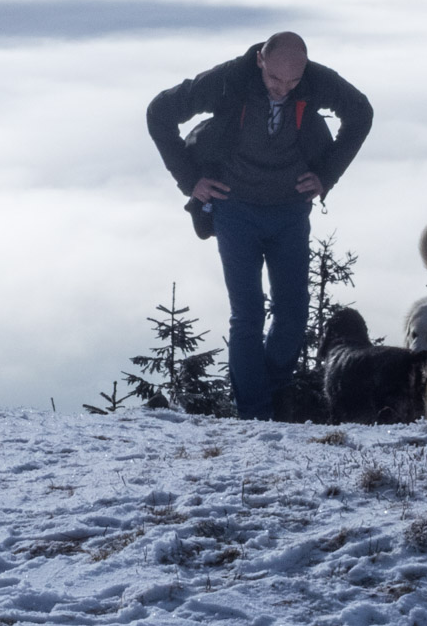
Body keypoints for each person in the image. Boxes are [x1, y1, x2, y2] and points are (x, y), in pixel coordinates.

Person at [146, 32, 374, 419]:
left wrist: (326, 175)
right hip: (235, 207)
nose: (283, 90)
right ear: (260, 61)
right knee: (247, 313)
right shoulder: (228, 80)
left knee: (293, 311)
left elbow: (361, 113)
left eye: (293, 83)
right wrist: (191, 181)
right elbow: (160, 112)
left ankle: (271, 395)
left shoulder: (316, 80)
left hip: (290, 209)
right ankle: (256, 414)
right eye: (274, 80)